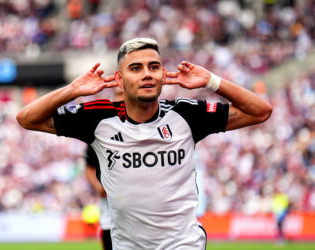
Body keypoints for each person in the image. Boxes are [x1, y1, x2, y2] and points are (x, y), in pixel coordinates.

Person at [16, 37, 272, 249]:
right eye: (136, 68)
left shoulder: (185, 114)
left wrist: (211, 81)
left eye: (154, 66)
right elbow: (27, 118)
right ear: (119, 79)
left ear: (163, 74)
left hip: (183, 244)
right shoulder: (98, 117)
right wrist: (72, 90)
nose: (147, 74)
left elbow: (260, 111)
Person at [84, 88, 123, 250]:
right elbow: (89, 167)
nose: (120, 100)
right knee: (109, 240)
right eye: (118, 95)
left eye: (123, 95)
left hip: (139, 202)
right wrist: (99, 188)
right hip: (110, 203)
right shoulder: (101, 129)